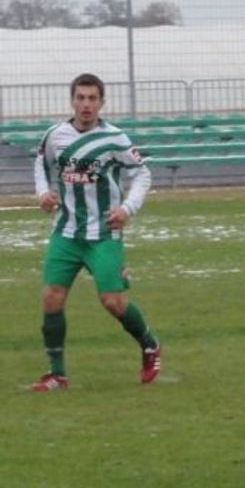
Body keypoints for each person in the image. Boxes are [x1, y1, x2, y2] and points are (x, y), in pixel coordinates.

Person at [29, 72, 160, 391]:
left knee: (112, 301)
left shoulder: (115, 138)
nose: (86, 104)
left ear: (102, 103)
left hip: (103, 233)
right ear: (72, 100)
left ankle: (149, 344)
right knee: (51, 297)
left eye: (92, 99)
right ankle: (57, 373)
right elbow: (41, 165)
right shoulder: (55, 135)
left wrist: (126, 209)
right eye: (81, 98)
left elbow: (142, 175)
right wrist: (43, 192)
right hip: (67, 232)